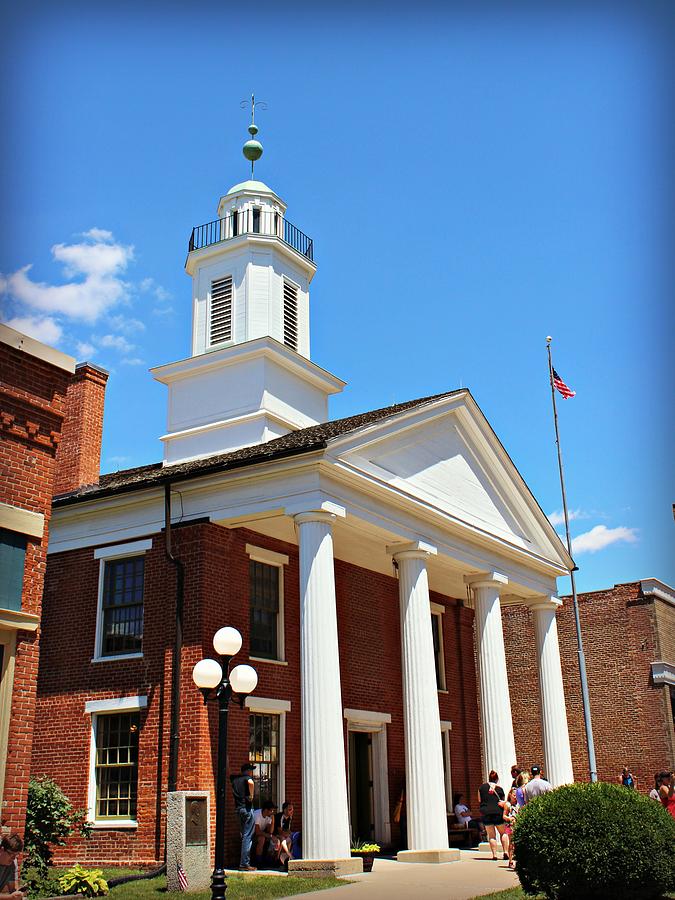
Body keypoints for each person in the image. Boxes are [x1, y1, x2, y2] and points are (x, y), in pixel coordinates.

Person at [230, 762, 257, 871]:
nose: (252, 772)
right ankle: (244, 864)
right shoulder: (247, 778)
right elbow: (251, 782)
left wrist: (227, 761)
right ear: (247, 771)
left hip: (238, 809)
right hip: (247, 809)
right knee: (247, 836)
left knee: (243, 835)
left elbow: (229, 773)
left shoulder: (235, 779)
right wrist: (251, 795)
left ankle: (243, 862)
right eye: (251, 770)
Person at [478, 770, 508, 861]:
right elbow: (502, 801)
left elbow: (479, 800)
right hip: (497, 812)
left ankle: (494, 855)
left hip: (486, 812)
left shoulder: (481, 788)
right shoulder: (499, 789)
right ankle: (505, 852)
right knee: (503, 833)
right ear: (497, 779)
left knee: (491, 835)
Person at [0, 832, 25, 899]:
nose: (13, 858)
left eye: (16, 855)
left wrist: (18, 894)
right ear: (2, 850)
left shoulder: (12, 864)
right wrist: (9, 897)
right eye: (11, 854)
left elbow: (12, 889)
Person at [253, 800, 277, 864]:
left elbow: (270, 831)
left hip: (260, 834)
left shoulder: (268, 816)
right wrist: (270, 836)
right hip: (251, 835)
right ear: (266, 810)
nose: (272, 812)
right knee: (262, 838)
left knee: (275, 840)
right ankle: (258, 861)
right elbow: (257, 831)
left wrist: (273, 820)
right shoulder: (257, 814)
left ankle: (270, 860)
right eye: (271, 810)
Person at [502, 788, 519, 870]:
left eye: (516, 795)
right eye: (514, 795)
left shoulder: (518, 804)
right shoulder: (507, 804)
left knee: (517, 843)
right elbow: (504, 816)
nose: (515, 797)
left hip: (517, 824)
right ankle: (511, 861)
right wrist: (509, 819)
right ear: (510, 795)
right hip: (510, 825)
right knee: (512, 843)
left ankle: (518, 861)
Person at [274, 802, 295, 866]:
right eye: (290, 809)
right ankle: (278, 858)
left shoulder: (289, 817)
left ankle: (287, 858)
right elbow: (280, 832)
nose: (292, 811)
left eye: (292, 809)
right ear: (284, 810)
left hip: (282, 835)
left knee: (289, 840)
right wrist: (288, 834)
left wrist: (290, 834)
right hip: (274, 834)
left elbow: (288, 830)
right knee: (283, 839)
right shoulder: (280, 817)